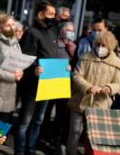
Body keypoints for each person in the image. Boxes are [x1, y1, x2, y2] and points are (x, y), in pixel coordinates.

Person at [67, 31, 120, 155]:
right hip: (79, 101)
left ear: (110, 46)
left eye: (103, 45)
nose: (100, 48)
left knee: (93, 136)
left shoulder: (117, 63)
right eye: (98, 44)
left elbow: (118, 83)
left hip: (100, 105)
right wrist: (88, 87)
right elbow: (76, 76)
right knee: (75, 132)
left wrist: (108, 88)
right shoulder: (85, 57)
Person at [15, 1, 59, 155]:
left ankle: (31, 150)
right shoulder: (31, 32)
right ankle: (20, 151)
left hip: (48, 83)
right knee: (25, 122)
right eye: (50, 14)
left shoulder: (53, 33)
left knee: (38, 121)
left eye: (54, 14)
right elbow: (24, 57)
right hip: (32, 85)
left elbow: (54, 55)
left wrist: (63, 67)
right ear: (41, 14)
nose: (53, 17)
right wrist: (33, 69)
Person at [41, 21, 76, 151]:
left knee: (61, 114)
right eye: (68, 30)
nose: (71, 33)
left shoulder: (72, 47)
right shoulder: (54, 44)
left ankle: (54, 138)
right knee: (47, 111)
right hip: (52, 82)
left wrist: (71, 61)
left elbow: (76, 66)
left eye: (72, 30)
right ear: (61, 31)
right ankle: (43, 136)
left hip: (65, 84)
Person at [0, 14, 23, 124]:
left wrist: (20, 72)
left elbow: (20, 61)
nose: (12, 27)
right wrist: (12, 76)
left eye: (13, 24)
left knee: (3, 130)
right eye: (8, 25)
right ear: (0, 27)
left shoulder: (15, 42)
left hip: (11, 92)